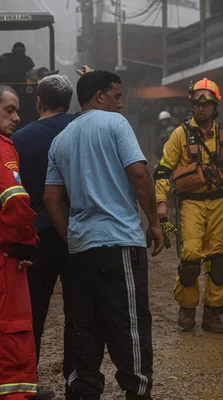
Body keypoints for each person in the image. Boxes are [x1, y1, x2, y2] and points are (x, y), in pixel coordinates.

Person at [44, 71, 164, 400]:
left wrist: (73, 237)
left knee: (84, 326)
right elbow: (139, 174)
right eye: (117, 95)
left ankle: (83, 391)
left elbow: (52, 200)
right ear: (100, 96)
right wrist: (153, 221)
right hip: (119, 244)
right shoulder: (115, 124)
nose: (121, 103)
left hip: (81, 248)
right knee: (130, 324)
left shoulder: (62, 139)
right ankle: (137, 391)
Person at [154, 78, 223, 333]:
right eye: (197, 104)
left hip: (220, 205)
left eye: (207, 104)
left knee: (220, 260)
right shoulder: (180, 134)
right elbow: (164, 170)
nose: (201, 108)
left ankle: (213, 313)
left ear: (215, 106)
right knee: (190, 260)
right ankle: (188, 309)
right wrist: (161, 203)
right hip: (191, 204)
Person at [11, 75, 77, 400]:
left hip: (35, 238)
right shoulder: (80, 129)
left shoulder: (20, 140)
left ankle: (28, 385)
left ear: (38, 100)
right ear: (70, 103)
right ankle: (76, 386)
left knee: (31, 316)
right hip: (77, 234)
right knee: (78, 315)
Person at [0, 84, 39, 399]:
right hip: (5, 258)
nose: (17, 117)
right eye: (8, 110)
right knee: (13, 332)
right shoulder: (3, 148)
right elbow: (15, 200)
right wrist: (28, 241)